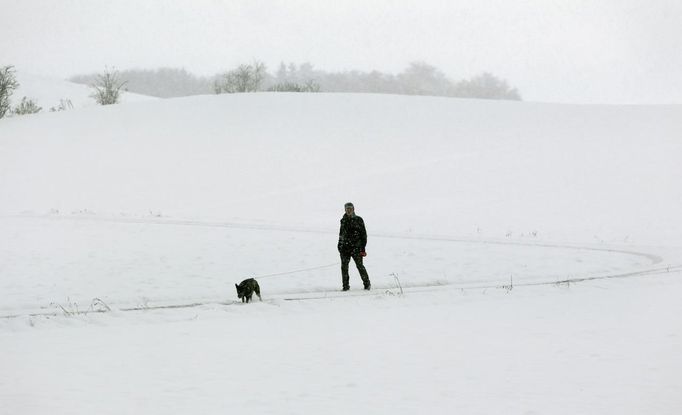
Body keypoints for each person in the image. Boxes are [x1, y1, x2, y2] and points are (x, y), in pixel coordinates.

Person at [337, 202, 371, 291]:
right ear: (345, 210)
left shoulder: (359, 220)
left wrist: (363, 248)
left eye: (350, 208)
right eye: (347, 209)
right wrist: (340, 245)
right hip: (345, 249)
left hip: (356, 248)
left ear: (353, 209)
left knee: (360, 266)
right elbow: (341, 234)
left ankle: (367, 284)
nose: (349, 210)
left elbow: (364, 235)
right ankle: (345, 286)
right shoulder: (343, 220)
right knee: (344, 267)